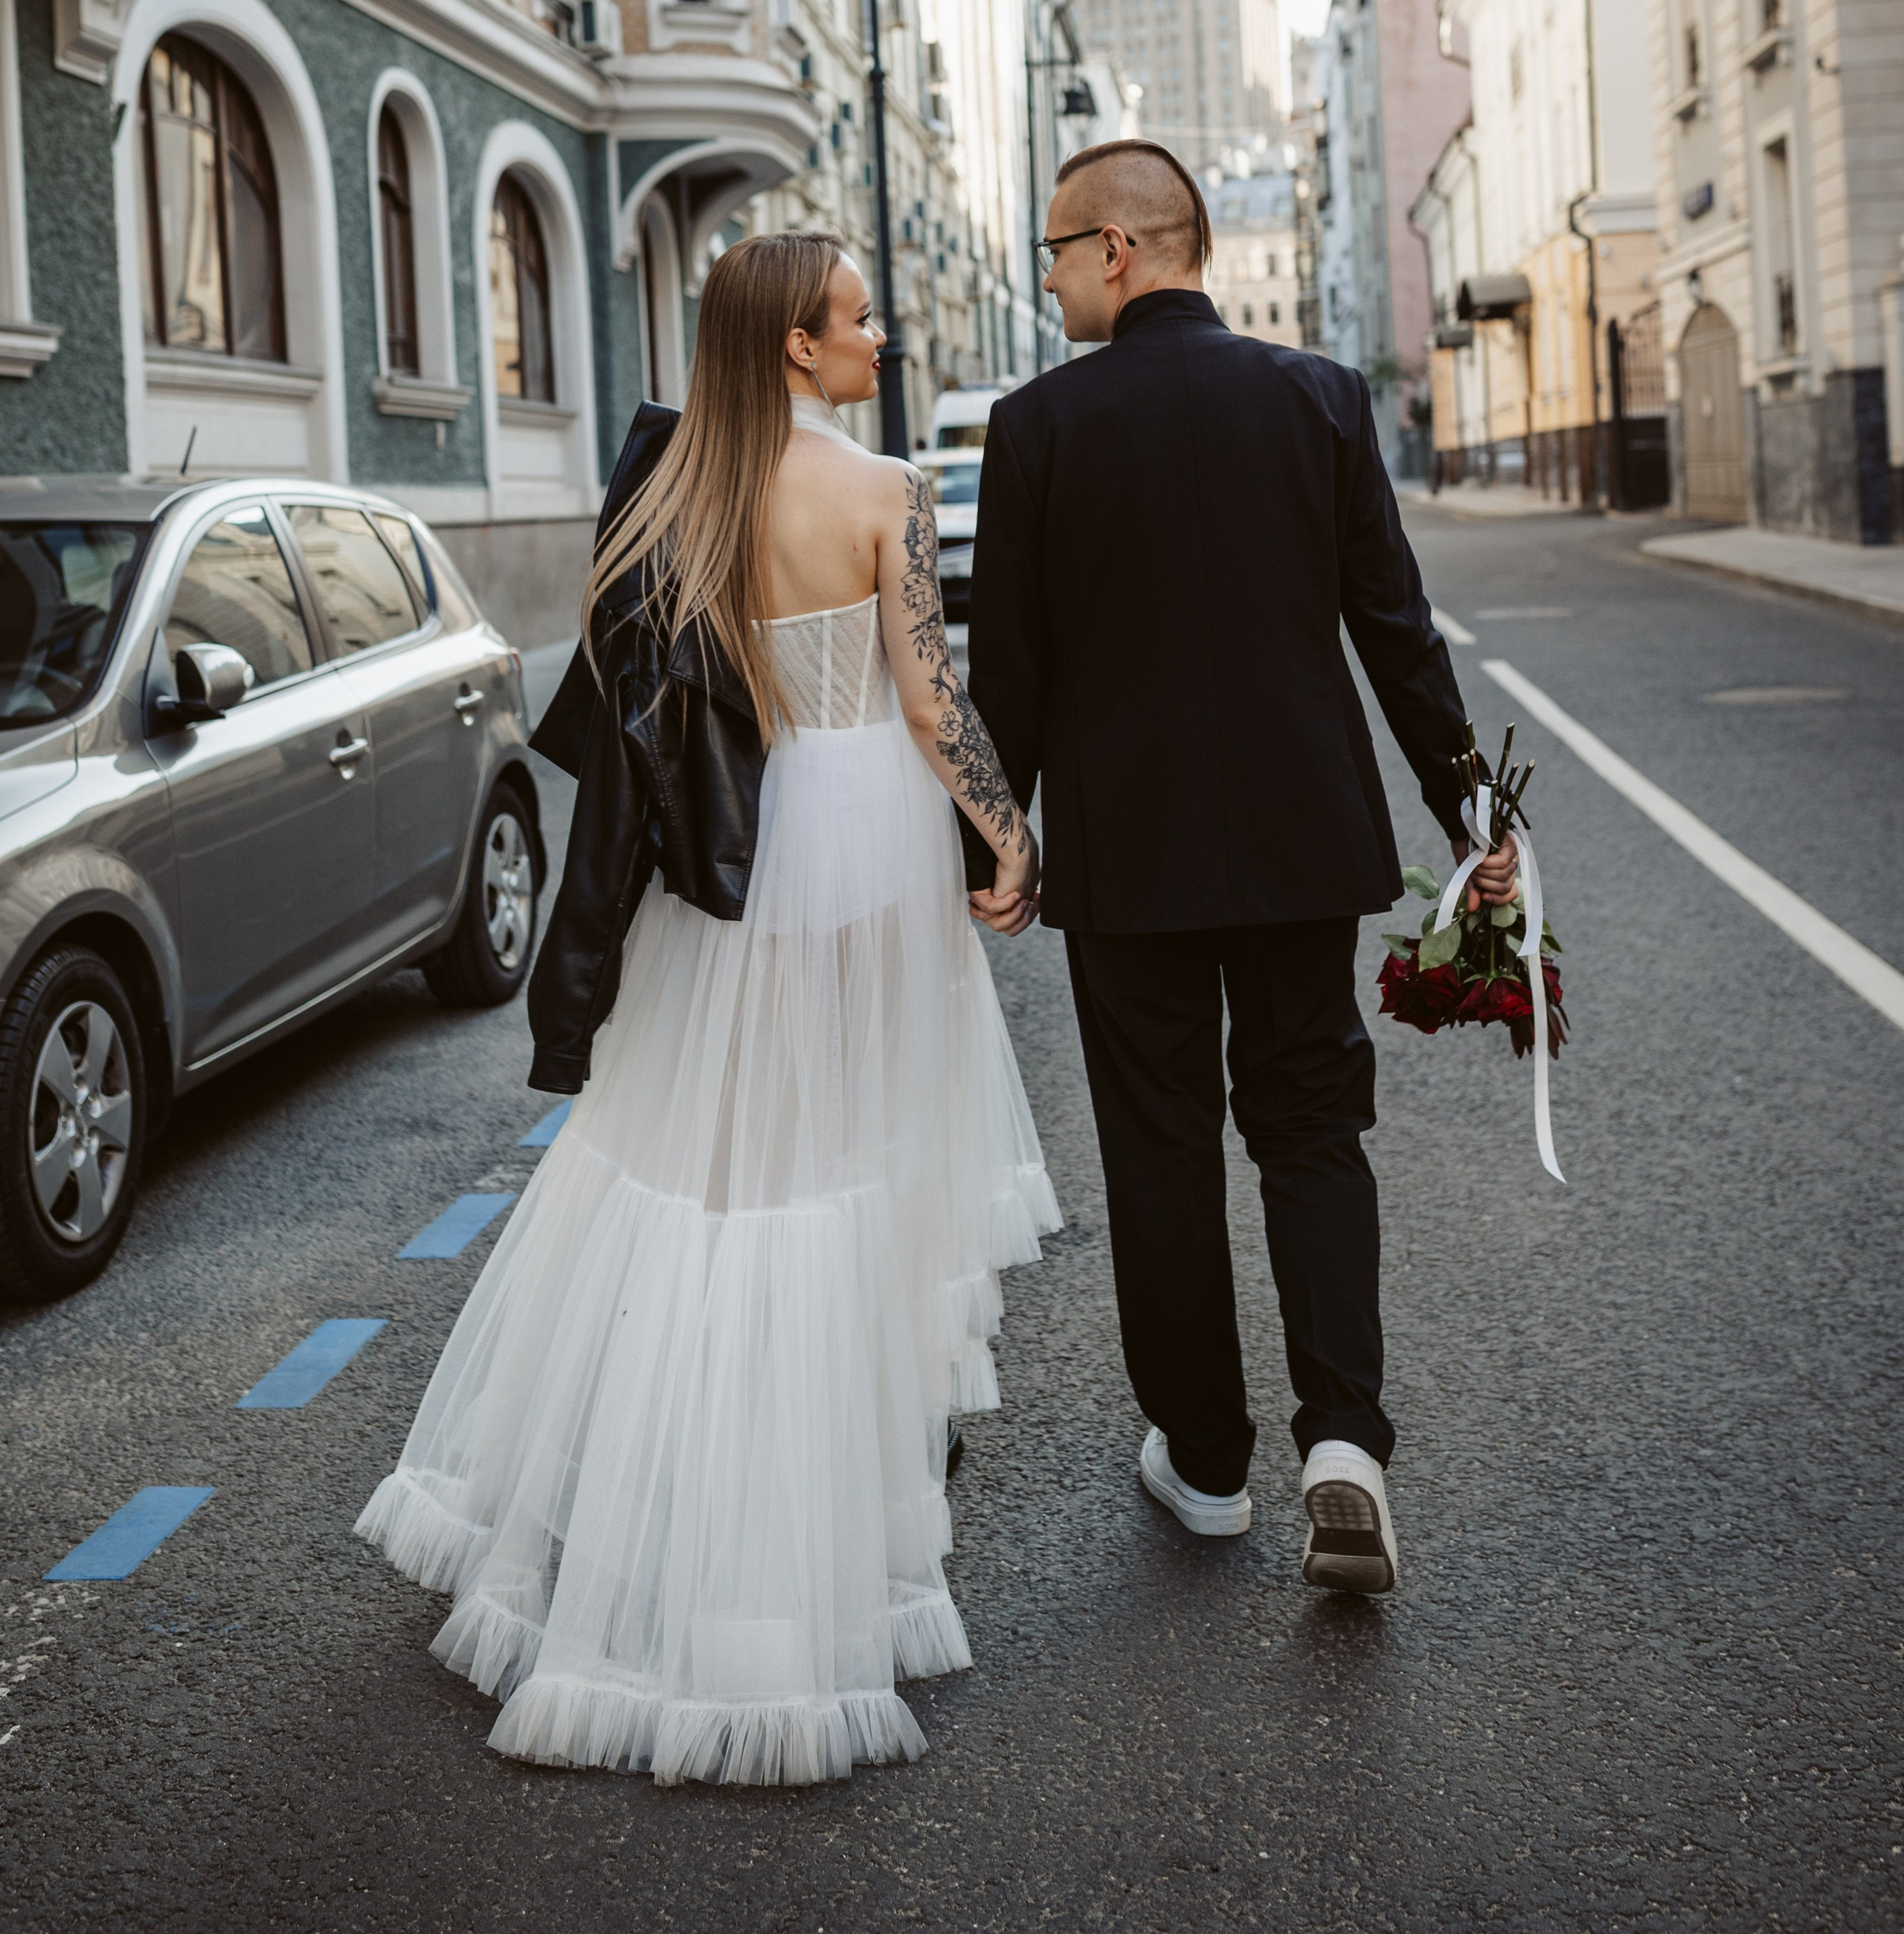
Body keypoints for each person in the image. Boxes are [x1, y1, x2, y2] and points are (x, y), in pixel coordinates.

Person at [358, 232, 1058, 1783]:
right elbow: (930, 700)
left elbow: (638, 710)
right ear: (796, 350)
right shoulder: (883, 490)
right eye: (857, 320)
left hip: (732, 854)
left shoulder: (673, 490)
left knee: (707, 1164)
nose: (880, 338)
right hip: (864, 836)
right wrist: (1005, 832)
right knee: (845, 1166)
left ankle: (635, 1531)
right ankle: (792, 1566)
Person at [959, 138, 1515, 1594]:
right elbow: (1394, 632)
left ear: (1121, 252)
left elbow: (1005, 675)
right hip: (1299, 844)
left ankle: (1204, 1464)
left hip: (1126, 860)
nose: (1052, 278)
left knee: (1157, 1151)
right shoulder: (1318, 401)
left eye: (1057, 252)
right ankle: (1341, 1441)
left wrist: (997, 843)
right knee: (1309, 1127)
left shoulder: (1034, 430)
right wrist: (1472, 820)